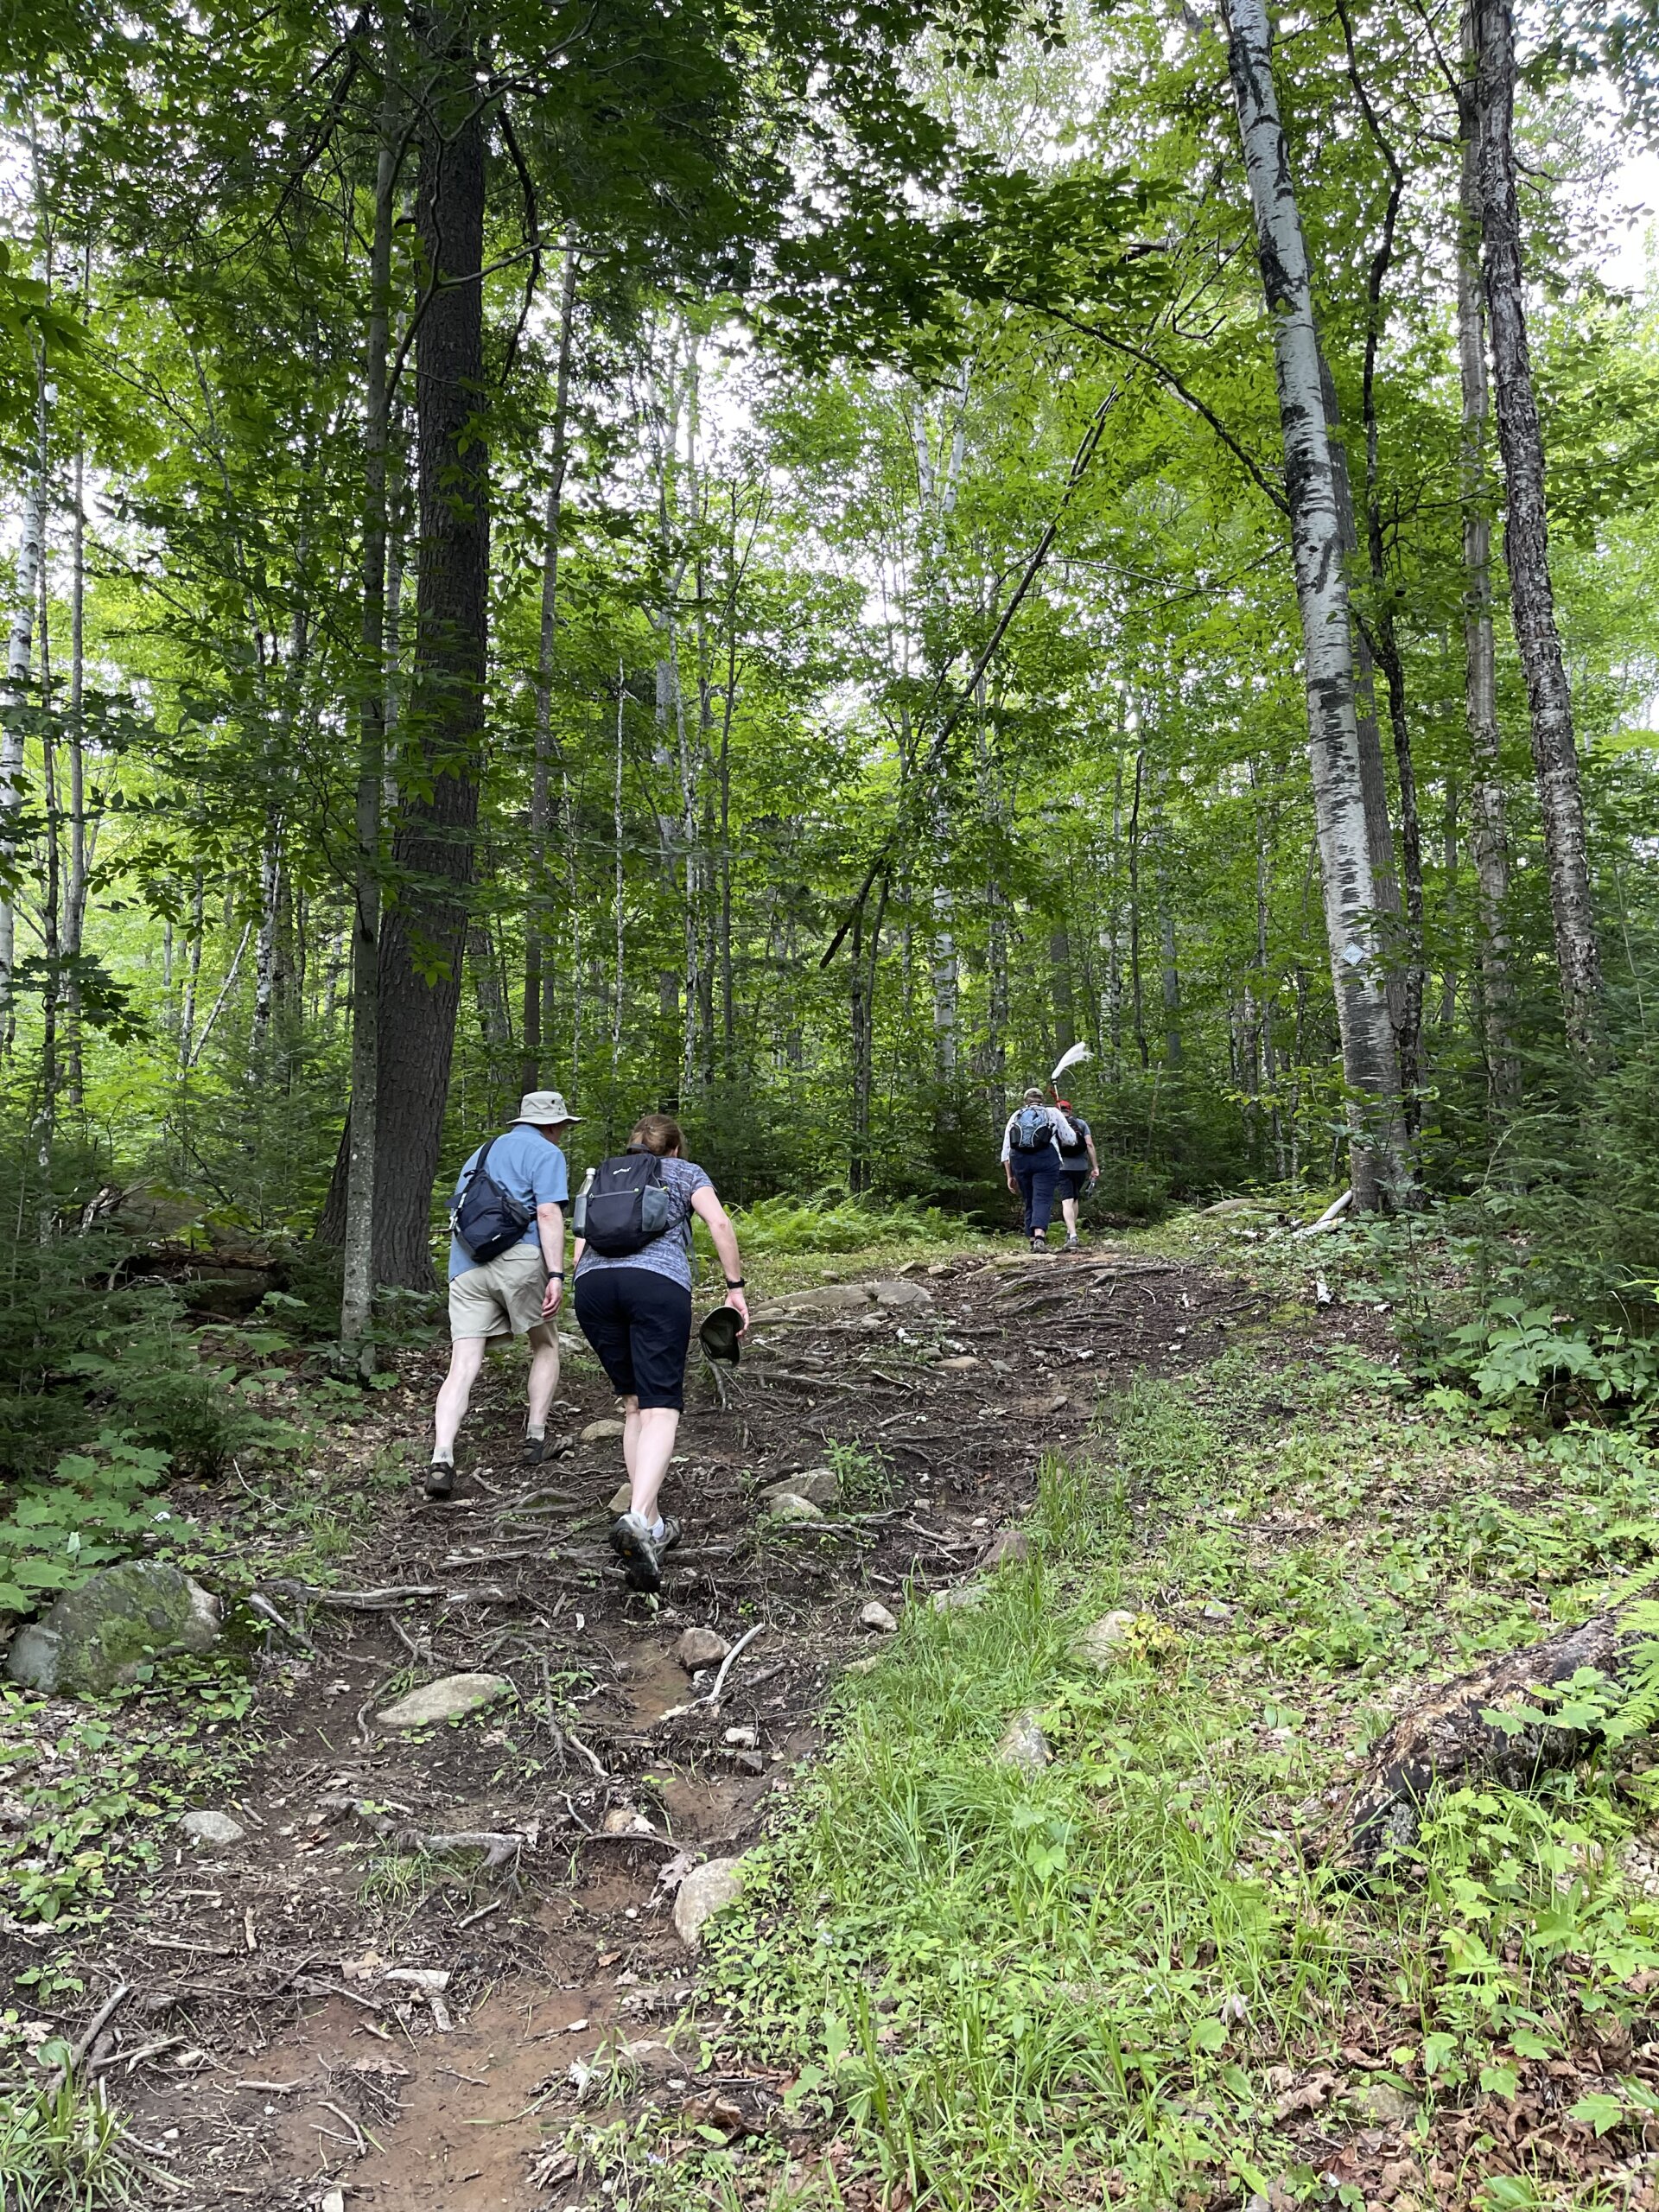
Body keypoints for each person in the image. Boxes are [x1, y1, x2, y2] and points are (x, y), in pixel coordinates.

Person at [571, 1113, 748, 1594]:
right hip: (656, 1286)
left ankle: (648, 1523)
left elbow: (578, 1245)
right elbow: (718, 1221)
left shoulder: (604, 1175)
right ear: (674, 1149)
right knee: (662, 1406)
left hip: (591, 1288)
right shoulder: (686, 1173)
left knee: (633, 1404)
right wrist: (735, 1290)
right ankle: (635, 1515)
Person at [427, 1090, 576, 1500]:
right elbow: (547, 1213)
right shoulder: (547, 1153)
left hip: (467, 1266)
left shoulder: (481, 1152)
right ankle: (535, 1439)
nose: (562, 1133)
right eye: (562, 1126)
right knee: (545, 1346)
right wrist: (557, 1274)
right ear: (552, 1124)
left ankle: (442, 1458)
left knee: (462, 1365)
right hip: (519, 1262)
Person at [1001, 1086, 1077, 1252]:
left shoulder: (1017, 1115)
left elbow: (1006, 1149)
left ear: (1025, 1100)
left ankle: (1031, 1238)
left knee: (1029, 1198)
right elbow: (1071, 1139)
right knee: (1042, 1197)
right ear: (1042, 1100)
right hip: (1046, 1159)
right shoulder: (1052, 1113)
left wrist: (1009, 1176)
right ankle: (1039, 1237)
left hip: (1020, 1160)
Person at [1052, 1097, 1100, 1252]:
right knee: (1075, 1198)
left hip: (1062, 1166)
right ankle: (1070, 1231)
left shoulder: (1054, 1124)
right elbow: (1089, 1145)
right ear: (1070, 1110)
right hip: (1080, 1167)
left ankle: (1072, 1235)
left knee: (1066, 1200)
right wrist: (1095, 1167)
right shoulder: (1081, 1124)